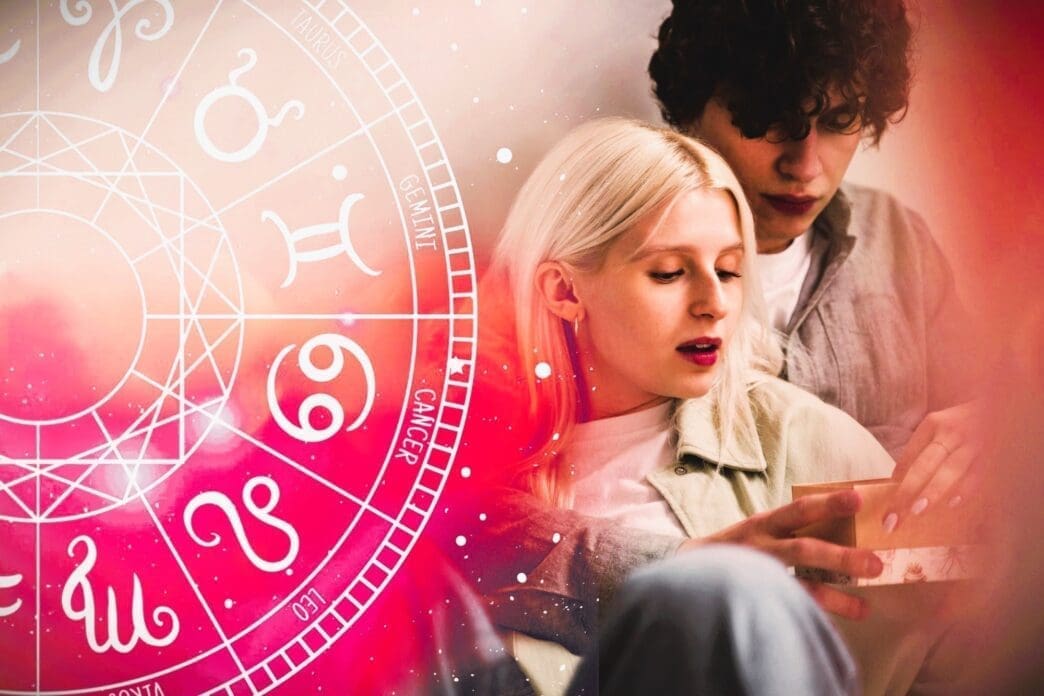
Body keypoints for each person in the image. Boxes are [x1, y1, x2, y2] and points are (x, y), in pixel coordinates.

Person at [468, 117, 896, 695]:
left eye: (729, 270)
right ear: (564, 291)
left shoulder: (803, 440)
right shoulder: (445, 466)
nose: (715, 303)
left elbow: (951, 657)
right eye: (669, 273)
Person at [647, 0, 981, 531]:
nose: (805, 166)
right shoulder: (605, 256)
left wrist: (993, 436)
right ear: (691, 107)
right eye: (770, 119)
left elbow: (993, 409)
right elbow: (500, 505)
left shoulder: (898, 241)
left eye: (838, 120)